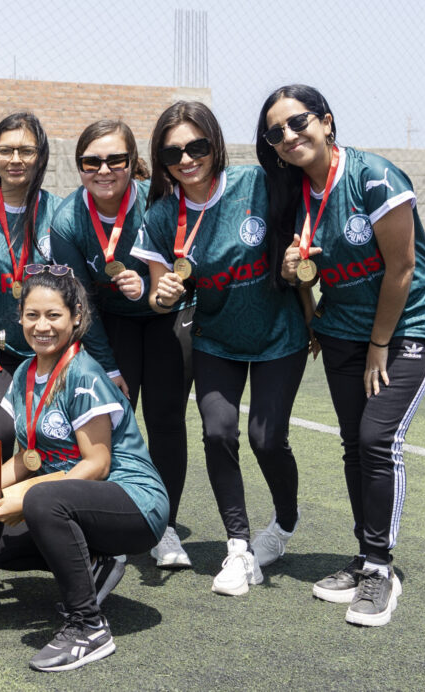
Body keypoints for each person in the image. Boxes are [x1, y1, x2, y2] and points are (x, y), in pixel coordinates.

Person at [257, 84, 425, 626]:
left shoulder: (374, 176)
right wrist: (305, 297)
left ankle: (382, 572)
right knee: (353, 447)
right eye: (276, 133)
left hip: (406, 325)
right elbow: (301, 268)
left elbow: (402, 269)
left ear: (327, 122)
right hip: (340, 328)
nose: (289, 137)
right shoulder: (291, 191)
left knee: (376, 438)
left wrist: (379, 346)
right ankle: (365, 555)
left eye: (298, 123)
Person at [131, 102, 310, 595]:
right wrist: (163, 294)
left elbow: (307, 215)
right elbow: (159, 291)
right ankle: (239, 549)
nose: (186, 159)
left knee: (266, 439)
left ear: (214, 144)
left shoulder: (258, 183)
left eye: (197, 146)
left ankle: (285, 524)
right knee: (218, 432)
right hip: (217, 341)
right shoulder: (165, 214)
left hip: (279, 336)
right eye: (173, 152)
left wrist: (297, 260)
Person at [0, 265, 168, 672]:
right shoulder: (24, 372)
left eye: (54, 315)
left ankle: (88, 627)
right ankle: (96, 561)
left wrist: (24, 498)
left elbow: (97, 464)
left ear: (76, 316)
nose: (42, 326)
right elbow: (27, 459)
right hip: (70, 499)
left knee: (42, 499)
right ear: (19, 317)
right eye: (32, 315)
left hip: (133, 500)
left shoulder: (84, 373)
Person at [50, 120, 191, 566]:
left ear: (134, 163)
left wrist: (161, 285)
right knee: (111, 424)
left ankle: (165, 523)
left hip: (167, 319)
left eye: (116, 160)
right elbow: (81, 301)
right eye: (92, 161)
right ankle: (113, 519)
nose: (104, 169)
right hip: (113, 325)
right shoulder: (67, 219)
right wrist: (109, 367)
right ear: (79, 167)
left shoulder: (161, 200)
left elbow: (187, 265)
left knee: (166, 418)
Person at [0, 112, 63, 465]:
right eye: (6, 150)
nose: (15, 160)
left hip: (51, 352)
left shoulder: (60, 212)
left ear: (40, 156)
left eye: (26, 151)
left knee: (48, 432)